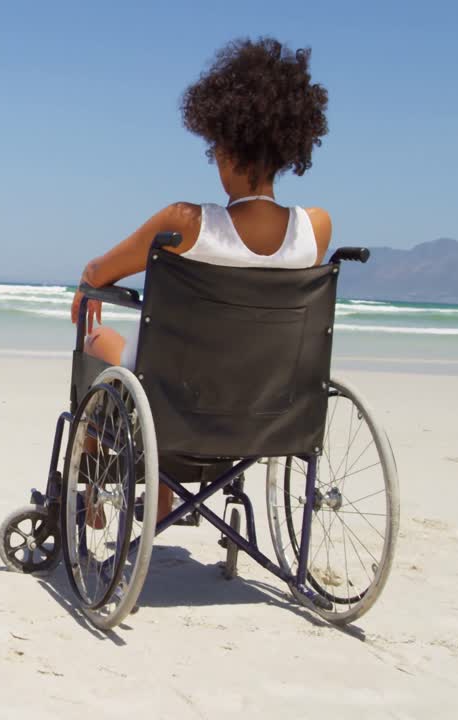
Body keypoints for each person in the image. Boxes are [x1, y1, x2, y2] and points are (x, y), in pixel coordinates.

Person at [73, 37, 333, 524]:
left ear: (226, 147)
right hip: (265, 405)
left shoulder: (185, 223)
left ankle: (93, 488)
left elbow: (100, 272)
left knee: (96, 339)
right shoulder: (316, 228)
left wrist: (86, 288)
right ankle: (164, 494)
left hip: (173, 400)